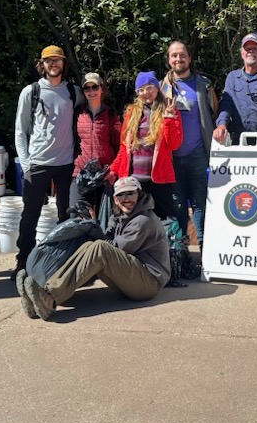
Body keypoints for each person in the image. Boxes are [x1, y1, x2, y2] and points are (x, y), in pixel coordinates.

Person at [16, 176, 171, 320]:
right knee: (90, 245)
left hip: (149, 282)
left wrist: (97, 231)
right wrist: (91, 223)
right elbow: (108, 240)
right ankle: (38, 296)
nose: (127, 199)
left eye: (131, 194)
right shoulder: (118, 216)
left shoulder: (143, 220)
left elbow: (117, 249)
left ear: (139, 194)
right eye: (122, 195)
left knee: (99, 248)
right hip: (132, 276)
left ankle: (49, 298)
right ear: (115, 200)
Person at [13, 45, 84, 275]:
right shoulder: (31, 92)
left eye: (57, 60)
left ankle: (62, 262)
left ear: (64, 63)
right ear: (41, 64)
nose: (54, 64)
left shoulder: (74, 92)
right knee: (30, 216)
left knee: (66, 215)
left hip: (66, 164)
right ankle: (23, 262)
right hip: (38, 163)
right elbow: (20, 131)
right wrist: (26, 165)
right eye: (49, 61)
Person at [163, 40, 218, 248]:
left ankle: (204, 250)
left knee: (200, 203)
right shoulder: (162, 86)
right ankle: (182, 251)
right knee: (177, 204)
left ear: (189, 58)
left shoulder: (203, 84)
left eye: (182, 54)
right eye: (174, 55)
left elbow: (214, 111)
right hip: (172, 156)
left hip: (198, 153)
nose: (178, 59)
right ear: (169, 60)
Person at [110, 71, 183, 222]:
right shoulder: (131, 112)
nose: (146, 93)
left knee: (164, 222)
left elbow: (174, 145)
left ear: (157, 88)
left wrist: (169, 121)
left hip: (159, 180)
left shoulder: (169, 109)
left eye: (149, 88)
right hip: (134, 180)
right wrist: (113, 170)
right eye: (141, 90)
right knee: (134, 223)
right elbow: (124, 148)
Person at [213, 33, 257, 146]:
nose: (250, 51)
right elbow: (226, 105)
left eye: (254, 48)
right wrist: (221, 125)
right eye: (247, 49)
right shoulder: (232, 77)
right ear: (242, 53)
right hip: (237, 142)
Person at [69, 72, 122, 212]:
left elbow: (118, 146)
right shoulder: (77, 114)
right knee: (76, 217)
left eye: (95, 87)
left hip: (104, 174)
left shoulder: (111, 115)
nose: (91, 91)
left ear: (102, 89)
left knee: (103, 220)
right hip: (80, 173)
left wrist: (114, 171)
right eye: (87, 88)